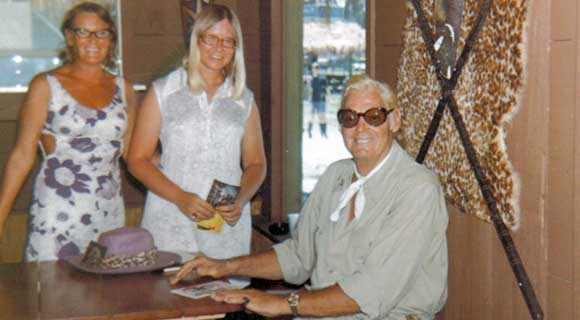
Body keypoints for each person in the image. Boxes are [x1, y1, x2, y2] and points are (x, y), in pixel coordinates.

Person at [172, 75, 448, 320]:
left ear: (395, 120)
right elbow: (299, 255)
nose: (360, 128)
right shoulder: (335, 176)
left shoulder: (417, 189)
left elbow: (370, 291)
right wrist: (224, 266)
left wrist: (281, 304)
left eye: (374, 116)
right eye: (349, 118)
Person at [128, 4, 266, 260]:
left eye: (228, 41)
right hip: (170, 217)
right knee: (164, 297)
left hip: (223, 225)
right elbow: (137, 160)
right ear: (197, 40)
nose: (219, 48)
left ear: (236, 48)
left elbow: (256, 164)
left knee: (222, 297)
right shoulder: (164, 91)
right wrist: (180, 198)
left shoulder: (244, 100)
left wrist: (240, 200)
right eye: (211, 38)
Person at [0, 2, 136, 261]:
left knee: (103, 296)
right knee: (54, 294)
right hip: (58, 212)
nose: (92, 40)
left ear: (111, 38)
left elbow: (133, 154)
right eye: (83, 32)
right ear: (70, 37)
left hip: (108, 212)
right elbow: (21, 156)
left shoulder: (124, 88)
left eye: (101, 32)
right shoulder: (46, 85)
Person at [307, 63, 328, 138]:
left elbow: (326, 89)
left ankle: (323, 132)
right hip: (314, 100)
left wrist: (327, 97)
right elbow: (309, 90)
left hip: (321, 100)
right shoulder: (311, 79)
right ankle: (309, 131)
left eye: (316, 68)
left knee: (322, 116)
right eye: (313, 68)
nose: (315, 69)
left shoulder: (322, 79)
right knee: (311, 116)